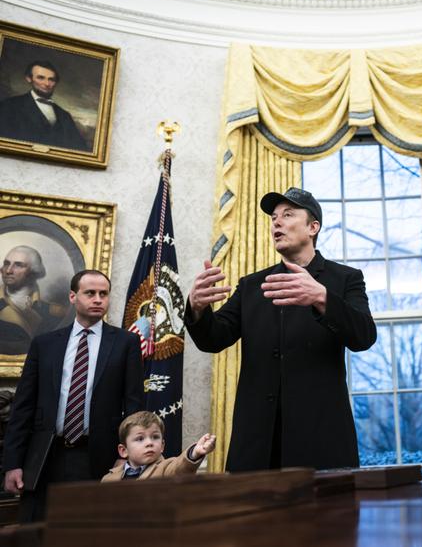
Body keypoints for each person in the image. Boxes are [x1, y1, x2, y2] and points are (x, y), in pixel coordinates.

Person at [185, 187, 377, 472]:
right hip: (257, 442)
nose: (277, 222)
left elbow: (364, 337)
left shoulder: (345, 279)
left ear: (313, 227)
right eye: (274, 217)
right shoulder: (252, 285)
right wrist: (197, 308)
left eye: (288, 215)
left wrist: (322, 297)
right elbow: (214, 338)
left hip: (321, 438)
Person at [2, 269, 144, 521]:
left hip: (99, 457)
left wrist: (127, 459)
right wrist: (13, 463)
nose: (98, 299)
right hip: (46, 456)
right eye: (90, 293)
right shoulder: (45, 344)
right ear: (72, 296)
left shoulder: (126, 343)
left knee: (89, 532)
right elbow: (23, 407)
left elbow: (134, 408)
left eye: (104, 294)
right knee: (38, 532)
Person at [101, 411, 216, 482]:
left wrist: (195, 453)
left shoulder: (167, 469)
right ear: (123, 450)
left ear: (162, 446)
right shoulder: (108, 479)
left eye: (155, 437)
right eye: (140, 439)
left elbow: (181, 468)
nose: (149, 443)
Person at [0, 60, 88, 151]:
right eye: (41, 78)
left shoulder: (65, 116)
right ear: (29, 78)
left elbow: (80, 149)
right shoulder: (9, 105)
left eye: (51, 79)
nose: (47, 84)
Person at [0, 245, 69, 354]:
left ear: (34, 271)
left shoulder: (56, 313)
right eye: (6, 264)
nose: (8, 270)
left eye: (18, 265)